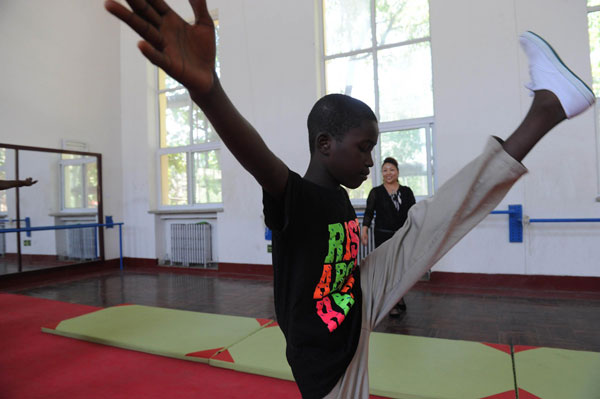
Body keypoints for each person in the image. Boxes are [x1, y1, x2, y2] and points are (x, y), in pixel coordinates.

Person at [104, 1, 595, 397]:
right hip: (327, 358)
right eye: (363, 147)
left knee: (431, 221)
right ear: (325, 145)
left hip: (355, 296)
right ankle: (547, 108)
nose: (371, 159)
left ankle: (547, 108)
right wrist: (209, 92)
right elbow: (259, 159)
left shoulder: (341, 194)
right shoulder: (297, 196)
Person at [361, 157, 415, 315]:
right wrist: (364, 230)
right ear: (382, 173)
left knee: (400, 268)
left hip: (403, 236)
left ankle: (399, 297)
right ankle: (390, 303)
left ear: (397, 172)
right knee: (387, 269)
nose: (388, 173)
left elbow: (414, 213)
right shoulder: (376, 192)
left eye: (392, 169)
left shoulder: (406, 191)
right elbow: (369, 213)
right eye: (385, 170)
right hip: (383, 236)